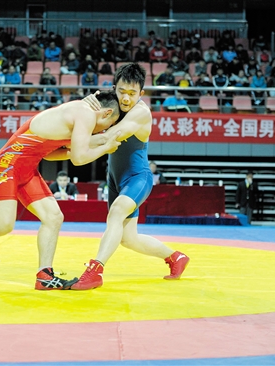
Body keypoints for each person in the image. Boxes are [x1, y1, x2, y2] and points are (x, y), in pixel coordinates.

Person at [0, 91, 122, 290]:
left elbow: (51, 155)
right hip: (8, 165)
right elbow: (78, 158)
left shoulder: (79, 115)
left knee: (53, 217)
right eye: (109, 125)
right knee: (2, 226)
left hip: (27, 170)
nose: (103, 131)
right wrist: (106, 146)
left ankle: (44, 275)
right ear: (106, 113)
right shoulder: (85, 114)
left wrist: (102, 143)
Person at [70, 63, 190, 290]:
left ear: (141, 94)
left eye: (132, 94)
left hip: (138, 178)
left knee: (115, 214)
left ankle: (95, 270)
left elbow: (113, 135)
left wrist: (72, 142)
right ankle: (175, 257)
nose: (126, 98)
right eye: (122, 92)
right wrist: (87, 106)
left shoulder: (141, 113)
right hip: (115, 179)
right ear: (114, 87)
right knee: (128, 238)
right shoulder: (112, 103)